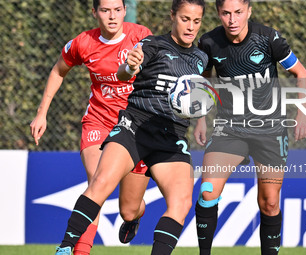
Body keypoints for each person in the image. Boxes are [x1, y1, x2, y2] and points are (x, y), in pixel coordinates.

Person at [53, 0, 207, 254]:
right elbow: (125, 72)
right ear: (172, 17)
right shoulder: (151, 44)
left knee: (176, 203)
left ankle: (134, 221)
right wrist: (130, 66)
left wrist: (201, 119)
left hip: (171, 138)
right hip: (134, 129)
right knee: (100, 182)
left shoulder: (202, 57)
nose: (190, 26)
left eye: (196, 21)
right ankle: (66, 247)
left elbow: (200, 94)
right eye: (184, 19)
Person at [30, 0, 152, 253]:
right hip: (99, 121)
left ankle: (135, 217)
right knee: (96, 184)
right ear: (94, 12)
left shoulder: (141, 35)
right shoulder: (83, 43)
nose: (112, 16)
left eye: (117, 10)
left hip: (134, 126)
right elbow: (58, 71)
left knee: (129, 209)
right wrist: (42, 113)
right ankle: (78, 250)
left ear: (124, 11)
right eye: (105, 10)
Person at [194, 0, 306, 254]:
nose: (232, 19)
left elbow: (301, 73)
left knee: (269, 202)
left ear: (248, 11)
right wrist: (200, 118)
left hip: (269, 129)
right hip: (229, 128)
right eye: (226, 13)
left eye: (238, 12)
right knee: (208, 190)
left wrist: (302, 113)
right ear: (218, 14)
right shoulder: (209, 42)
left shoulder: (268, 38)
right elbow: (203, 80)